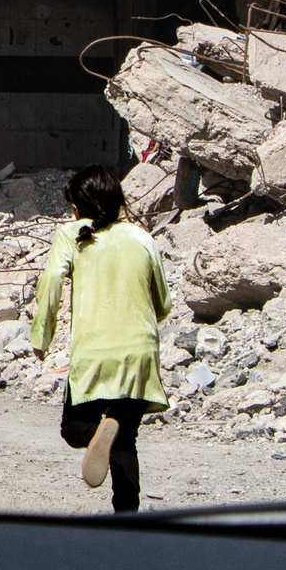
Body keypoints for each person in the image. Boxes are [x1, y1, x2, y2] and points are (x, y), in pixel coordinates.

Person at [31, 165, 172, 512]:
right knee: (125, 439)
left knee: (72, 427)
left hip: (93, 355)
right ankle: (127, 517)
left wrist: (42, 335)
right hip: (139, 353)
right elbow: (163, 304)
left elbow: (50, 285)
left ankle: (95, 434)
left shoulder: (71, 235)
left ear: (77, 208)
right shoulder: (142, 238)